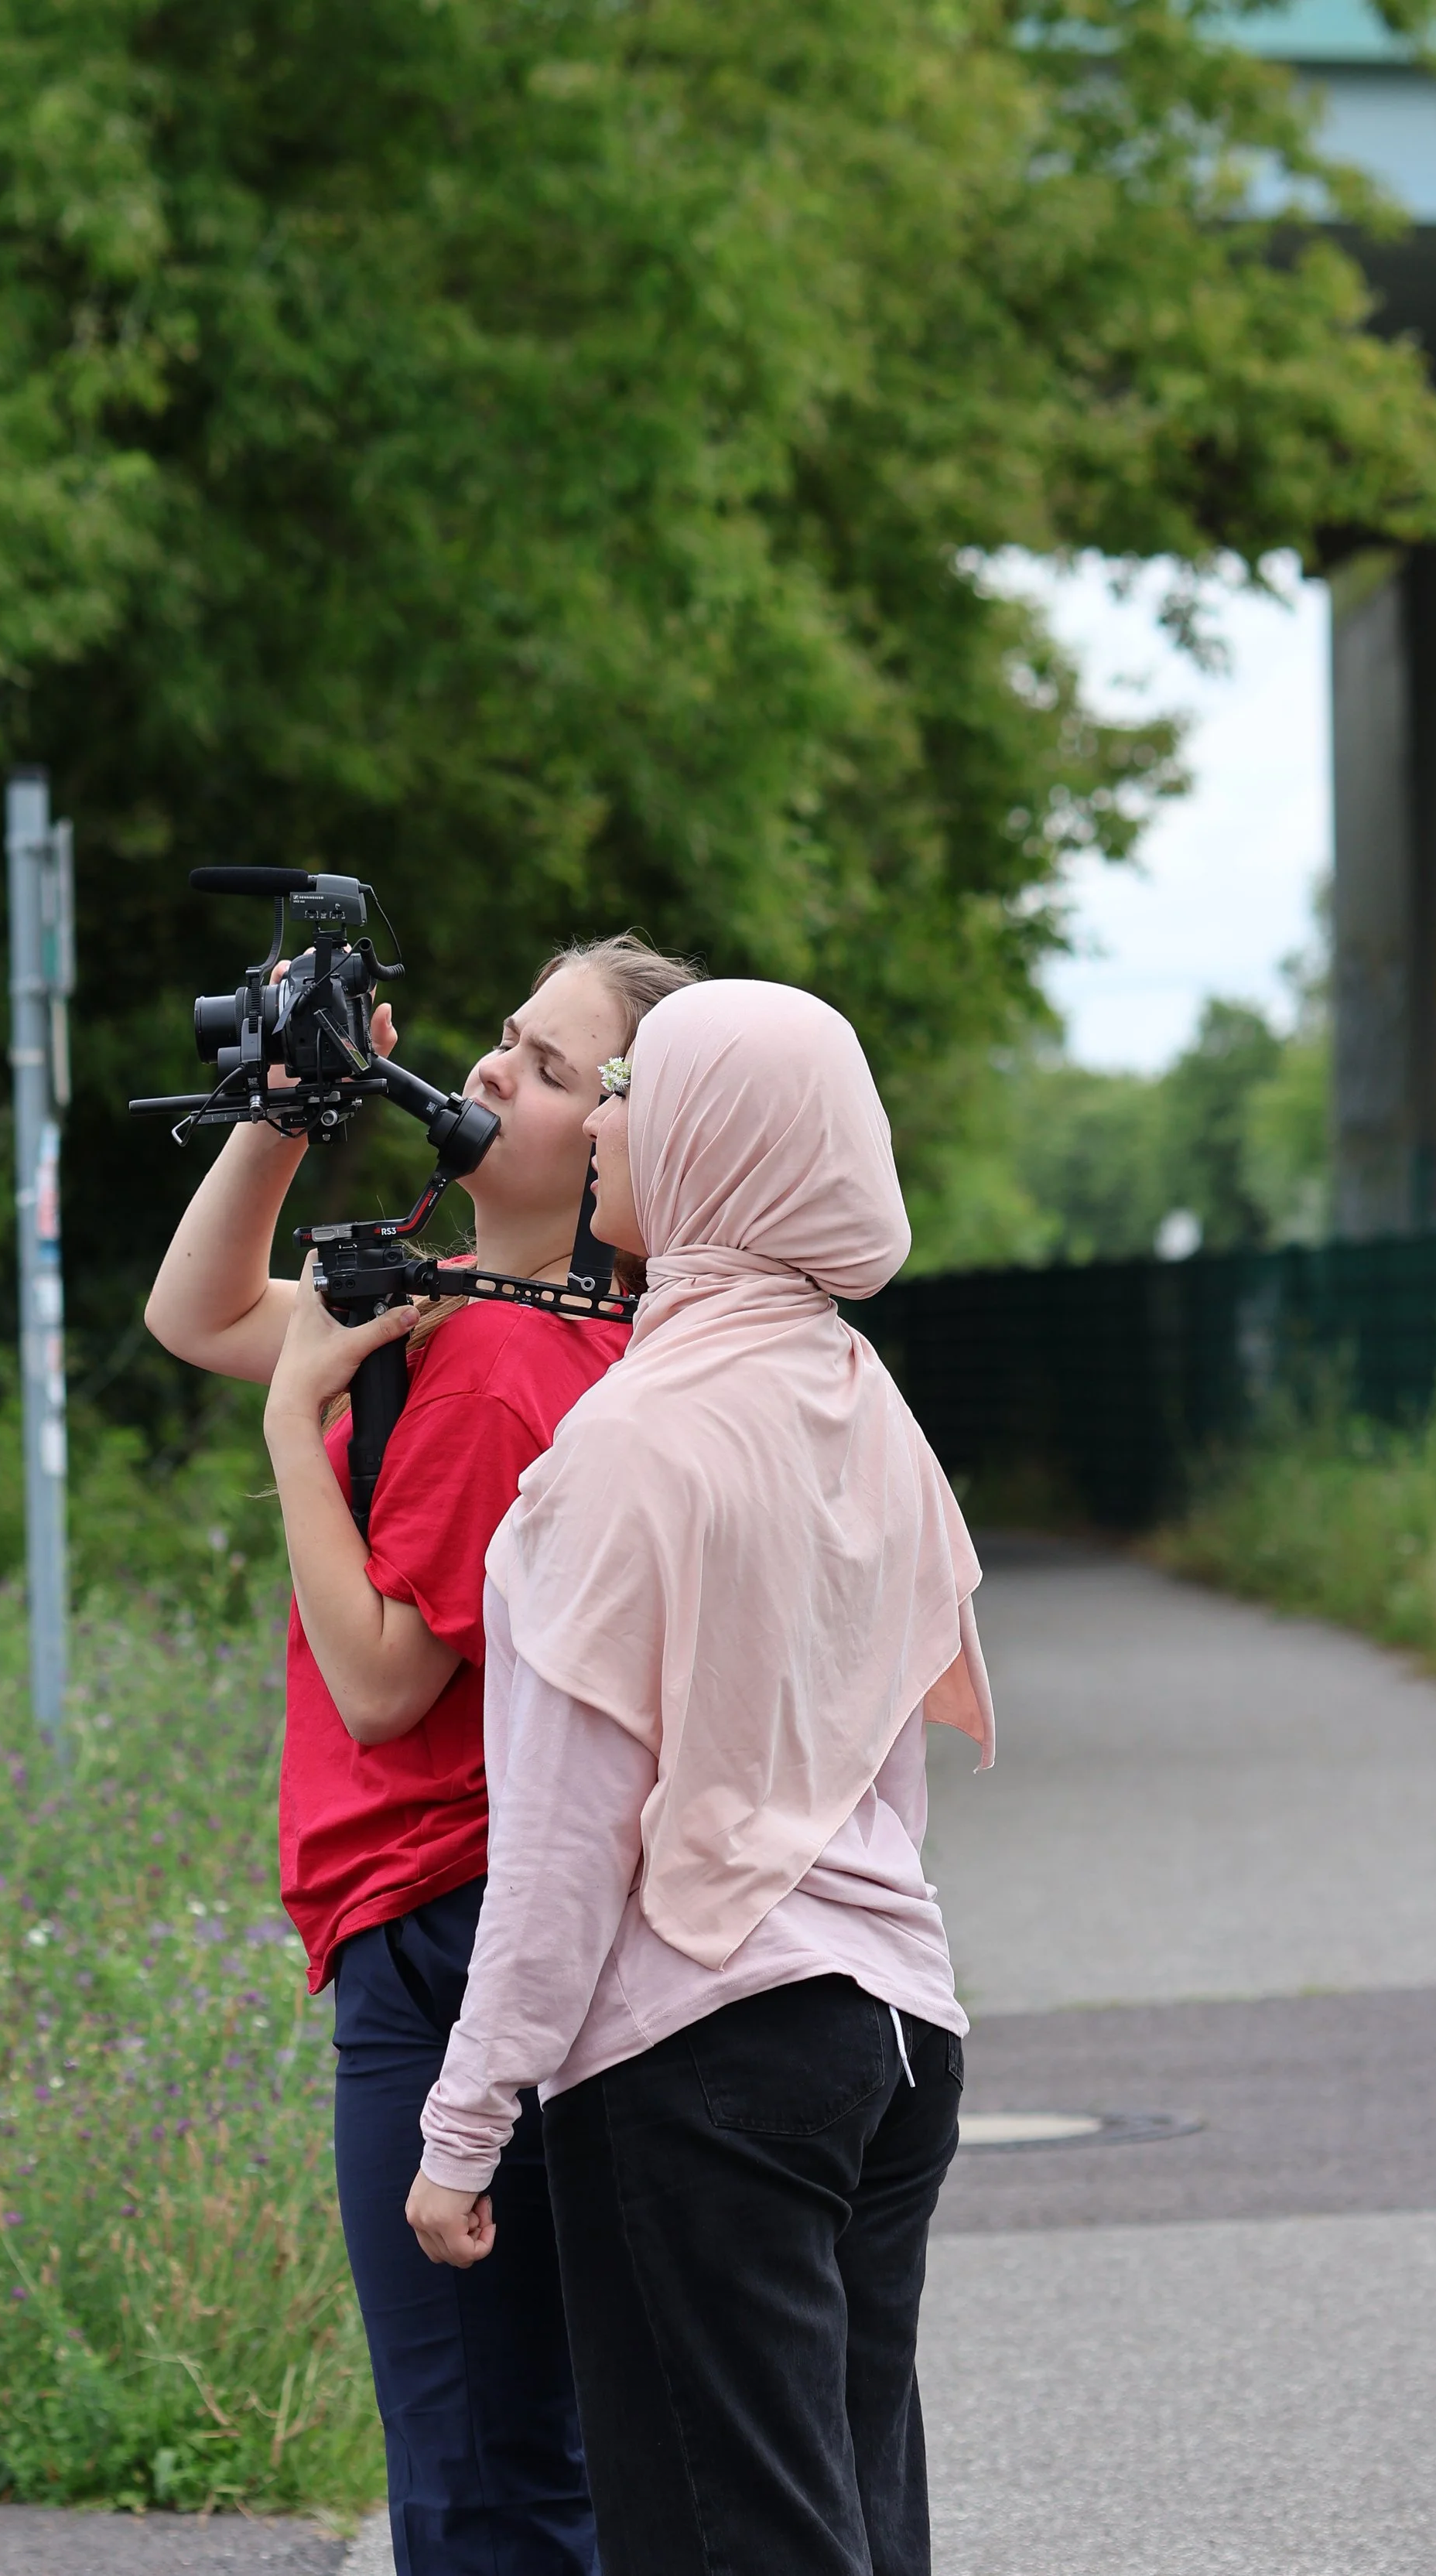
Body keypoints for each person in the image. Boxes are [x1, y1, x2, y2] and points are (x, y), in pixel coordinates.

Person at [404, 979, 995, 2576]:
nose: (597, 1120)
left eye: (631, 1093)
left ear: (722, 1145)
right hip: (891, 2041)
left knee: (722, 2541)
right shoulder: (863, 1405)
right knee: (848, 2528)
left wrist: (462, 2125)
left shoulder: (629, 1447)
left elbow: (560, 1838)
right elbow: (876, 1776)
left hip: (705, 2062)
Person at [145, 934, 699, 2576]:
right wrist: (287, 1108)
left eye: (540, 1066)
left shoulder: (489, 1369)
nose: (482, 1071)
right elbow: (205, 1310)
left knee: (474, 2470)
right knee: (551, 2445)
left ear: (621, 1136)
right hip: (505, 1918)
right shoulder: (519, 1314)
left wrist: (288, 1450)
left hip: (434, 1915)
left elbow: (384, 1684)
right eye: (498, 1040)